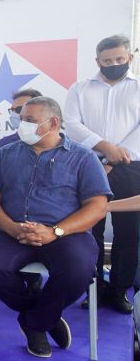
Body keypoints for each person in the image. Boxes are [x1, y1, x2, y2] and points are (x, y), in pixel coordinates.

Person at [0, 97, 111, 358]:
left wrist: (55, 232)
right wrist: (11, 228)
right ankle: (45, 316)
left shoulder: (83, 158)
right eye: (21, 119)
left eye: (29, 121)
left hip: (64, 233)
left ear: (54, 123)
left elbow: (96, 205)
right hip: (10, 231)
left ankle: (34, 323)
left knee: (79, 270)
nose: (22, 125)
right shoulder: (6, 153)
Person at [63, 34, 140, 313]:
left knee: (128, 231)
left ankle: (120, 290)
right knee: (88, 228)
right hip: (87, 164)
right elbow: (71, 124)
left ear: (129, 57)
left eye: (120, 59)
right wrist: (105, 148)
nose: (114, 64)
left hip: (131, 166)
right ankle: (91, 288)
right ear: (98, 61)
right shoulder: (80, 89)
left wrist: (118, 155)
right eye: (108, 61)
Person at [0, 89, 44, 155]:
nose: (13, 114)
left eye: (19, 109)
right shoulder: (3, 144)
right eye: (11, 110)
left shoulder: (55, 144)